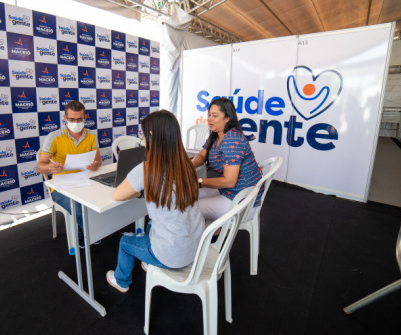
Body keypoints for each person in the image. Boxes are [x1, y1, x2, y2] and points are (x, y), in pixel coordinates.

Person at [106, 110, 205, 292]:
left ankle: (121, 281)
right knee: (152, 223)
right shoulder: (187, 165)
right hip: (196, 248)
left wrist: (139, 193)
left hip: (171, 256)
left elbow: (117, 195)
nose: (141, 139)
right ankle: (147, 260)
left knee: (125, 243)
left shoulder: (146, 169)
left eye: (143, 134)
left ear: (151, 136)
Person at [37, 100, 101, 247]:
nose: (76, 122)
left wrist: (95, 164)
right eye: (72, 119)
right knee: (79, 210)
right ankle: (89, 230)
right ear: (65, 118)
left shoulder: (91, 135)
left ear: (85, 118)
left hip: (87, 180)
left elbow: (98, 160)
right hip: (62, 186)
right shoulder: (54, 137)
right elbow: (40, 167)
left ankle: (93, 228)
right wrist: (51, 168)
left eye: (80, 119)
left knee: (102, 198)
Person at [192, 97, 263, 221]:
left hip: (241, 200)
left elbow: (229, 181)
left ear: (227, 118)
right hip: (228, 192)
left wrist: (197, 181)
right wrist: (188, 166)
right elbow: (202, 155)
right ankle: (211, 231)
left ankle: (205, 235)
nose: (209, 119)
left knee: (186, 208)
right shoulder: (217, 134)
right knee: (186, 197)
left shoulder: (232, 140)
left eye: (215, 115)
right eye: (209, 115)